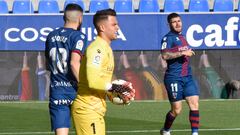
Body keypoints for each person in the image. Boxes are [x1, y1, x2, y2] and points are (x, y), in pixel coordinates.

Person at [71, 9, 122, 135]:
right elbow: (93, 81)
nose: (118, 27)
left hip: (96, 110)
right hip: (87, 109)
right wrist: (116, 88)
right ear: (102, 27)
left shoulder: (106, 48)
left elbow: (102, 82)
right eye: (114, 24)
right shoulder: (97, 49)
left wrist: (116, 95)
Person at [45, 4, 86, 135]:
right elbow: (74, 63)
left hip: (57, 90)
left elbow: (48, 65)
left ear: (64, 17)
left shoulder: (51, 35)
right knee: (86, 130)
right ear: (80, 18)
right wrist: (85, 85)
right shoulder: (79, 36)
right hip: (76, 91)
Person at [160, 13, 199, 135]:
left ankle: (195, 133)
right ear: (169, 24)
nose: (178, 24)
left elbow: (184, 51)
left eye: (179, 21)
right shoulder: (168, 38)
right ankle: (166, 130)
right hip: (174, 78)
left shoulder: (182, 37)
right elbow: (165, 55)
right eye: (174, 22)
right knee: (176, 110)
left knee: (194, 103)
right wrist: (183, 53)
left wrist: (187, 52)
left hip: (187, 77)